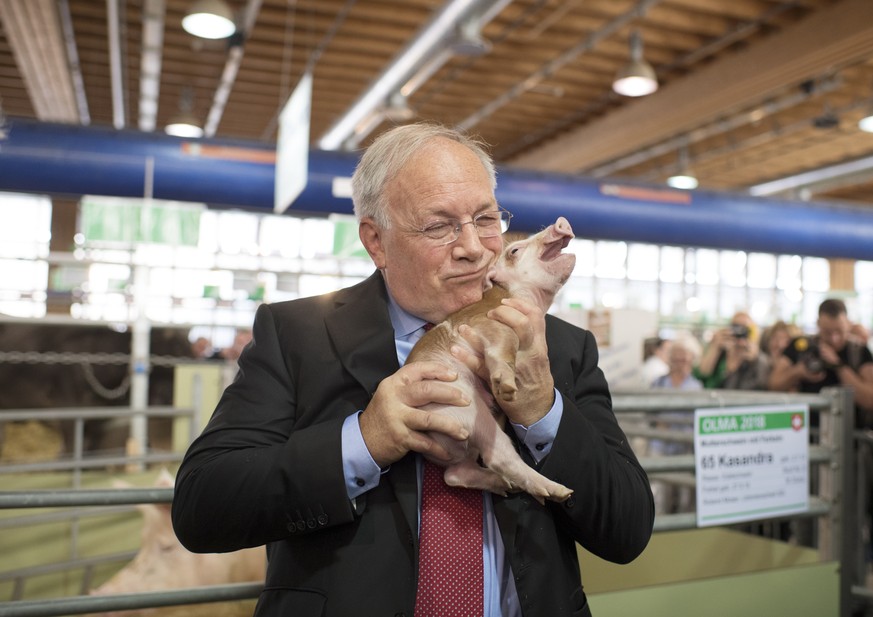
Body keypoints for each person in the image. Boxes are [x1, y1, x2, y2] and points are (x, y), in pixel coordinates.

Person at [171, 123, 654, 617]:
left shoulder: (561, 347)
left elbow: (628, 529)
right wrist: (365, 439)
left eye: (486, 218)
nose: (474, 247)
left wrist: (543, 413)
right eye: (439, 226)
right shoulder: (298, 335)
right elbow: (202, 507)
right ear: (376, 241)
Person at [769, 298, 873, 427]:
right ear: (818, 324)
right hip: (805, 432)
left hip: (849, 436)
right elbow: (773, 384)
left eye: (839, 331)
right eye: (827, 332)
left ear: (848, 323)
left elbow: (869, 399)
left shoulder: (859, 351)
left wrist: (838, 365)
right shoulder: (800, 346)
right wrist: (798, 371)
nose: (834, 339)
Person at [693, 311, 770, 390]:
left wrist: (756, 358)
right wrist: (715, 347)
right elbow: (702, 374)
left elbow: (762, 385)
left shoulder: (757, 358)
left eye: (745, 329)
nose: (739, 332)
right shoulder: (721, 352)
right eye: (736, 327)